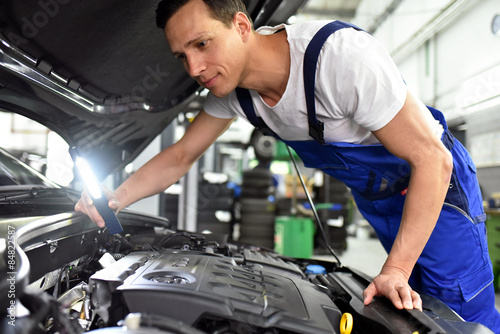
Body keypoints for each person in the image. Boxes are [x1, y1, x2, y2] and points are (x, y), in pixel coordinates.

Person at [75, 0, 500, 331]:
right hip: (380, 199)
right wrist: (114, 198)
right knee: (411, 312)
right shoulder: (231, 91)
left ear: (242, 26)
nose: (195, 68)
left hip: (438, 191)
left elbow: (432, 158)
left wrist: (396, 268)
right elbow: (181, 155)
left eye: (202, 44)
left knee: (460, 314)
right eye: (181, 56)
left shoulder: (339, 59)